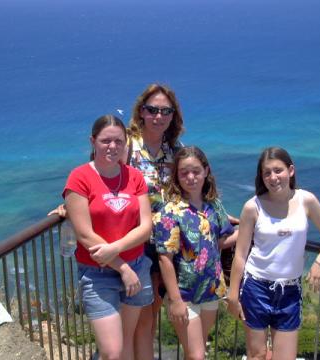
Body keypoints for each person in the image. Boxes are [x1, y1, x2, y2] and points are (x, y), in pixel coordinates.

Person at [227, 147, 320, 360]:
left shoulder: (306, 200)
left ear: (291, 170)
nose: (273, 177)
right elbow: (240, 255)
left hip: (289, 291)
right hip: (256, 288)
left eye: (278, 170)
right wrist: (233, 295)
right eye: (266, 173)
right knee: (257, 355)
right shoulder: (253, 207)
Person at [63, 115, 154, 360]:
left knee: (125, 345)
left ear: (126, 143)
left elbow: (146, 227)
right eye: (105, 141)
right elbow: (84, 234)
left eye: (118, 141)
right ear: (93, 141)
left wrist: (115, 250)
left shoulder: (134, 177)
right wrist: (122, 267)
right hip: (98, 273)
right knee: (111, 351)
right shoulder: (79, 177)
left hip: (136, 267)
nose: (112, 147)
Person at [153, 146, 237, 360]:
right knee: (197, 355)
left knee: (195, 353)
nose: (191, 177)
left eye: (196, 171)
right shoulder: (170, 211)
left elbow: (221, 241)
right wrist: (175, 300)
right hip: (184, 294)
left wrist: (251, 227)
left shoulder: (213, 204)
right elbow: (165, 259)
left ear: (206, 171)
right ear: (177, 176)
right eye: (184, 173)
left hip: (211, 289)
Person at [125, 84, 185, 359]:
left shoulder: (175, 149)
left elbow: (190, 186)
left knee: (153, 307)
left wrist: (219, 214)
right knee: (139, 311)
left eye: (165, 111)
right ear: (141, 112)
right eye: (152, 110)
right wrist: (72, 202)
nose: (158, 116)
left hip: (166, 243)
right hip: (136, 238)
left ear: (173, 116)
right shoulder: (127, 145)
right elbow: (98, 175)